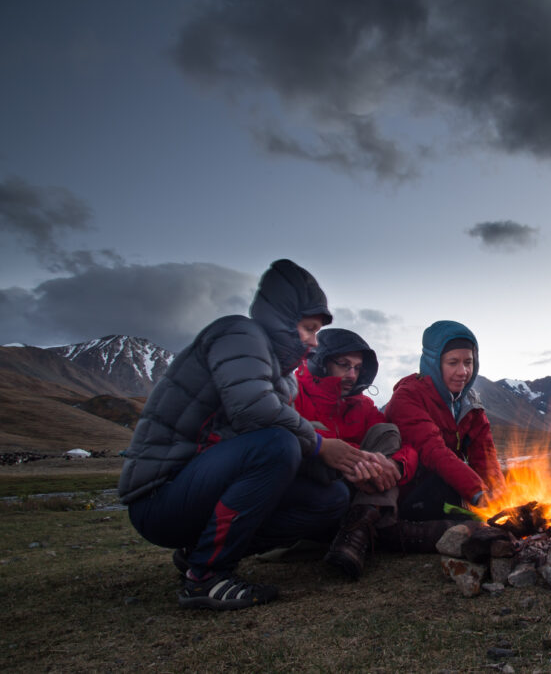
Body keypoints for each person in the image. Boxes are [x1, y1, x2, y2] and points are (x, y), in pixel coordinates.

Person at [119, 259, 382, 610]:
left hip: (201, 492)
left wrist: (347, 466)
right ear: (282, 319)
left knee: (330, 498)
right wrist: (319, 444)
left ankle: (199, 553)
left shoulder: (282, 378)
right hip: (161, 496)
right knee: (277, 444)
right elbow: (253, 411)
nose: (313, 342)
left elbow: (284, 441)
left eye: (317, 331)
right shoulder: (238, 334)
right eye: (308, 328)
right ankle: (206, 577)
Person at [292, 328, 448, 577]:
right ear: (321, 361)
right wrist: (362, 461)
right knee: (313, 442)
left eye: (357, 367)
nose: (352, 375)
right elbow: (289, 438)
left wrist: (395, 465)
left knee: (387, 431)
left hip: (360, 485)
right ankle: (380, 528)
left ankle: (356, 530)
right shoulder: (293, 392)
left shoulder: (362, 405)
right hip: (314, 488)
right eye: (344, 365)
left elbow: (403, 444)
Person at [385, 320, 506, 520]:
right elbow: (433, 451)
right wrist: (478, 492)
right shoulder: (407, 397)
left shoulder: (469, 402)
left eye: (468, 362)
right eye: (453, 362)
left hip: (451, 482)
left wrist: (499, 491)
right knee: (449, 496)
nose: (463, 372)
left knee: (516, 483)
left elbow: (484, 453)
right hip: (412, 491)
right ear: (434, 363)